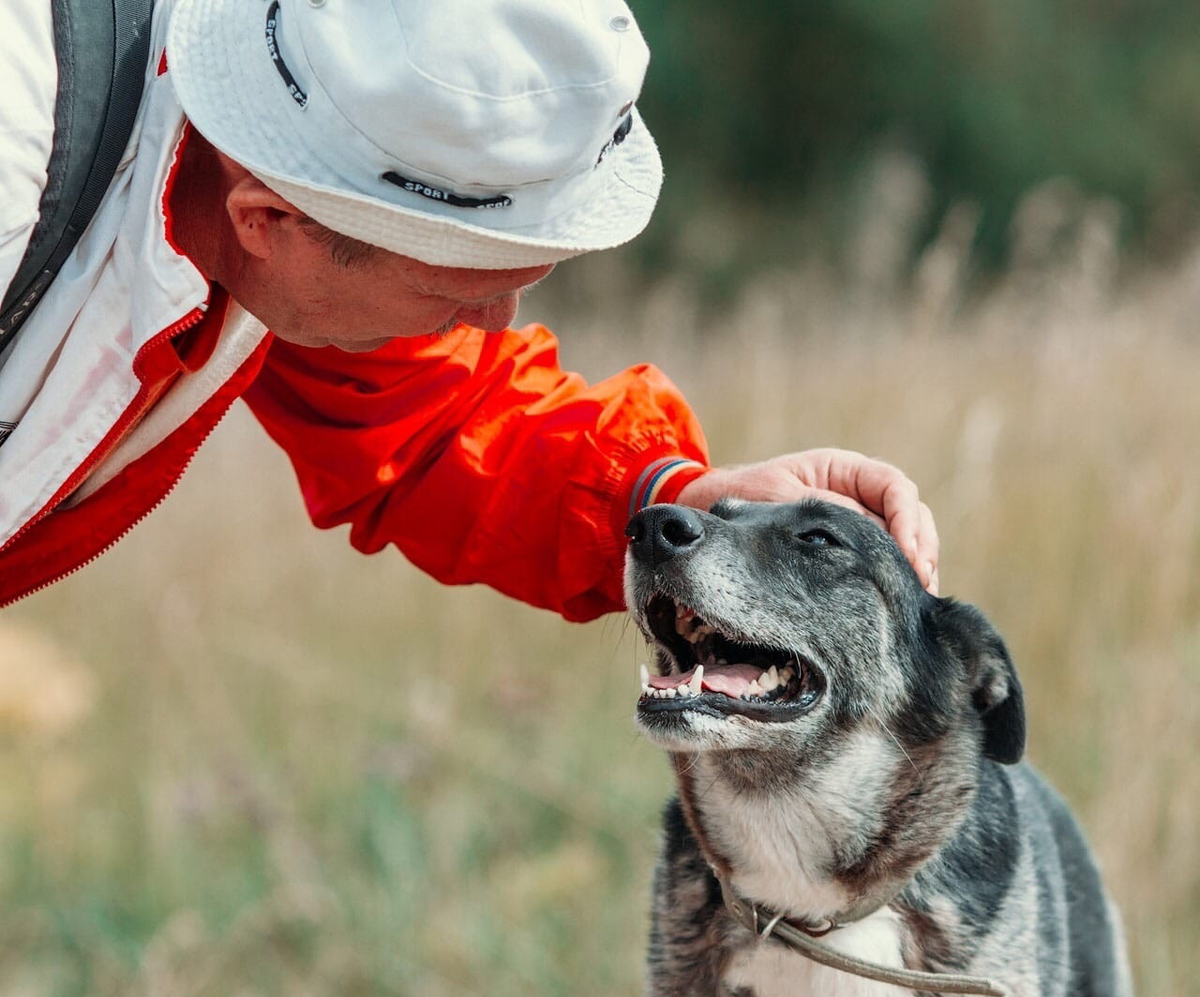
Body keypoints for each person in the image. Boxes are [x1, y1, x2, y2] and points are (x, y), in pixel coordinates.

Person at [0, 0, 939, 617]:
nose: (497, 322)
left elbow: (431, 417)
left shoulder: (298, 136)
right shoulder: (18, 150)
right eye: (458, 287)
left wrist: (674, 497)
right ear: (270, 219)